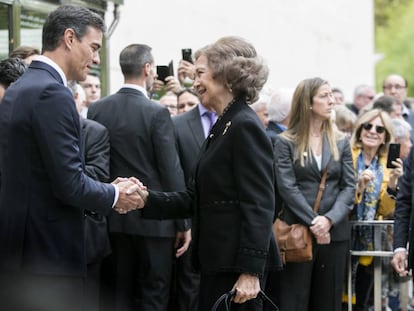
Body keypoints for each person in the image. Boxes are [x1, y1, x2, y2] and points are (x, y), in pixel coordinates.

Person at [0, 6, 142, 311]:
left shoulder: (20, 88)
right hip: (48, 261)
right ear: (68, 38)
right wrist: (116, 194)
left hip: (22, 257)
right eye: (93, 47)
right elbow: (70, 184)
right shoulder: (53, 92)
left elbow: (44, 173)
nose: (97, 59)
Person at [136, 36, 281, 311]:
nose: (194, 82)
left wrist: (250, 272)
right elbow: (197, 197)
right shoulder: (224, 124)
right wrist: (146, 199)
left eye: (200, 73)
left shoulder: (243, 125)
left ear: (226, 76)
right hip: (219, 264)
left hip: (238, 273)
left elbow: (260, 204)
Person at [88, 43, 189, 311]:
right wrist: (183, 221)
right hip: (154, 222)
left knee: (116, 294)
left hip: (112, 217)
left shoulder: (97, 109)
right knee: (154, 294)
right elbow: (170, 169)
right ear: (147, 69)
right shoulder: (156, 112)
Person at [274, 77, 355, 311]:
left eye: (331, 95)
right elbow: (287, 187)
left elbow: (349, 186)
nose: (331, 101)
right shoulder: (285, 142)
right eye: (324, 96)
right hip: (298, 231)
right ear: (308, 103)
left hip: (335, 232)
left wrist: (328, 220)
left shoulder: (340, 142)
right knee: (294, 301)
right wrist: (313, 221)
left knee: (329, 301)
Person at [349, 109, 403, 310]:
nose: (372, 131)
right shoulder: (347, 154)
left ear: (385, 137)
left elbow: (387, 209)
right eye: (368, 126)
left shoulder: (386, 165)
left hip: (371, 243)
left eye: (379, 129)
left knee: (363, 300)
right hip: (342, 236)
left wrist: (395, 181)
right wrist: (359, 187)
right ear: (360, 129)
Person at [68, 80, 112, 311]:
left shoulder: (94, 131)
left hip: (87, 235)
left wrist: (59, 167)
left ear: (77, 99)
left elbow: (99, 174)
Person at [170, 93, 216, 311]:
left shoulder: (240, 122)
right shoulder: (176, 124)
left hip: (227, 227)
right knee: (190, 290)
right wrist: (184, 223)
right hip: (192, 222)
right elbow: (174, 176)